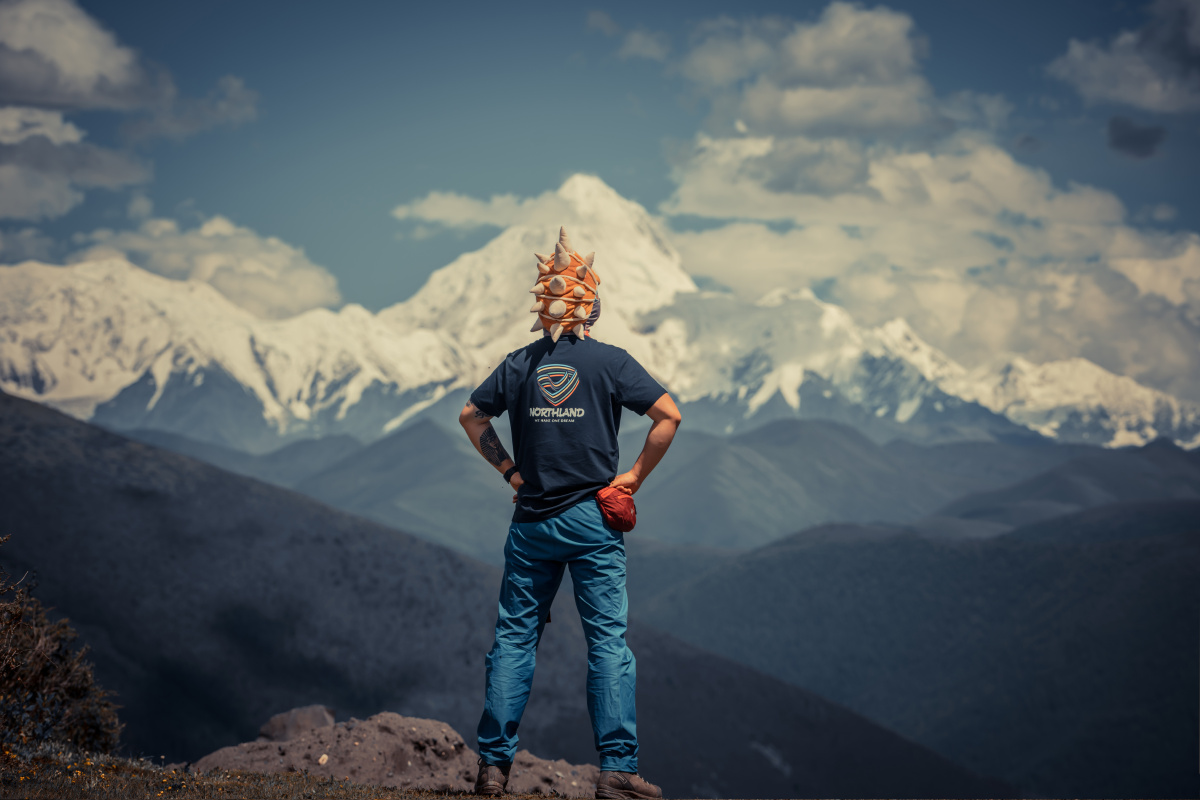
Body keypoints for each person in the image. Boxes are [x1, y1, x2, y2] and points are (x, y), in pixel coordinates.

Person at [459, 228, 681, 800]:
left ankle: (491, 769)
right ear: (591, 304)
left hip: (531, 521)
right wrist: (631, 477)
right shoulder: (612, 363)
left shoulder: (518, 364)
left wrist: (511, 473)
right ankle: (616, 771)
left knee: (514, 639)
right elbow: (669, 417)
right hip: (593, 520)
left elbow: (472, 418)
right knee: (607, 642)